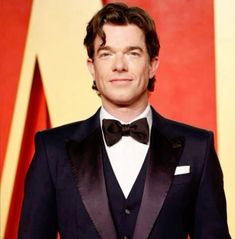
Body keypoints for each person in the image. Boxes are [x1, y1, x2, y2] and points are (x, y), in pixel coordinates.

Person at [18, 3, 231, 239]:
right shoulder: (52, 150)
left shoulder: (197, 148)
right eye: (107, 54)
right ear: (92, 66)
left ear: (152, 65)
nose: (119, 66)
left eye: (132, 53)